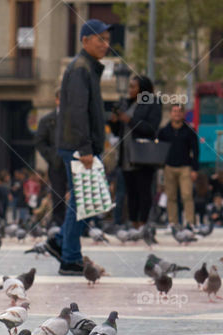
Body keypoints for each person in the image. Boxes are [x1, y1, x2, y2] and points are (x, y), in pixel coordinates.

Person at [49, 18, 112, 275]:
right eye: (101, 38)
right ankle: (70, 258)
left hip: (79, 146)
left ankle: (61, 243)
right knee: (82, 201)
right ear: (85, 40)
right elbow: (76, 111)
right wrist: (86, 148)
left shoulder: (88, 67)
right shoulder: (80, 68)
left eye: (107, 39)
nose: (106, 44)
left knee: (84, 199)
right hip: (77, 147)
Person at [109, 75, 162, 228]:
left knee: (144, 191)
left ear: (142, 89)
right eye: (130, 87)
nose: (129, 90)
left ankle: (143, 223)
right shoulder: (126, 103)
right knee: (130, 192)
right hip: (126, 156)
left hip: (143, 155)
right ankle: (133, 223)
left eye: (133, 87)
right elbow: (117, 131)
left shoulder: (153, 102)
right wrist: (114, 122)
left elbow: (151, 128)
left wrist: (129, 120)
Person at [158, 103, 200, 227]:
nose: (177, 114)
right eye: (174, 111)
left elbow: (195, 150)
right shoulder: (164, 131)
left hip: (185, 168)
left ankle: (190, 223)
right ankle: (173, 223)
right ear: (171, 114)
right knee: (171, 197)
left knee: (187, 196)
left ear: (183, 114)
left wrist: (194, 169)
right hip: (169, 167)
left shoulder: (190, 131)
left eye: (179, 111)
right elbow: (159, 148)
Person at [34, 90, 67, 226]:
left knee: (77, 195)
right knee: (58, 194)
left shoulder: (77, 118)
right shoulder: (47, 120)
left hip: (74, 162)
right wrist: (52, 156)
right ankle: (59, 223)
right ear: (57, 100)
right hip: (57, 164)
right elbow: (39, 142)